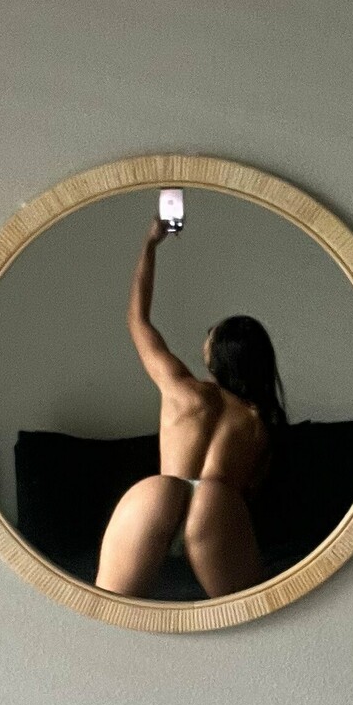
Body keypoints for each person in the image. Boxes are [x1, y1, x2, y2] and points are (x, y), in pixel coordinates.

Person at [96, 219, 287, 598]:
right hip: (218, 507)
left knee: (107, 611)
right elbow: (253, 488)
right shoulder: (260, 421)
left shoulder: (182, 389)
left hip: (160, 496)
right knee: (250, 616)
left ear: (215, 357)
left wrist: (150, 244)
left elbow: (137, 319)